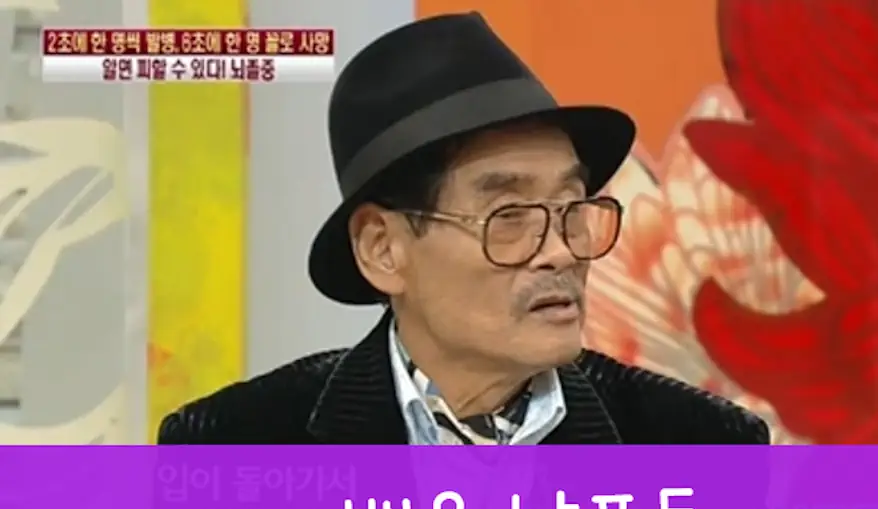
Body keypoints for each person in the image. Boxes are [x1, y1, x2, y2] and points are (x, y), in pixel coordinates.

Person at [157, 12, 768, 445]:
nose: (560, 252)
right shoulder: (235, 444)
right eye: (511, 217)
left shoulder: (698, 444)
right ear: (383, 249)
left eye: (571, 208)